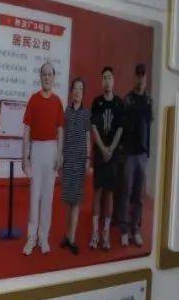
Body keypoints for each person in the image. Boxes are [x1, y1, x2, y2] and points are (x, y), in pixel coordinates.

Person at [21, 62, 65, 255]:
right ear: (40, 77)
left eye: (50, 74)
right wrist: (25, 156)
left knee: (48, 197)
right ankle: (31, 237)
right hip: (36, 150)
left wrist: (60, 153)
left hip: (52, 150)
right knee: (34, 196)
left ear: (53, 78)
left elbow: (60, 130)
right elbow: (27, 130)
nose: (47, 77)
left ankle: (43, 237)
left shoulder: (57, 102)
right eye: (44, 74)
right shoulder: (33, 100)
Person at [90, 66, 125, 250]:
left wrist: (110, 149)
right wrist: (103, 148)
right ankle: (95, 233)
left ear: (113, 80)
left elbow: (120, 128)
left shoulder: (119, 103)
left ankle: (105, 235)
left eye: (109, 77)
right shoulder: (97, 102)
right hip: (99, 153)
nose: (106, 81)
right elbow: (94, 127)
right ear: (101, 81)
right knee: (97, 192)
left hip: (113, 154)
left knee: (110, 193)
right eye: (104, 77)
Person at [121, 63, 153, 247]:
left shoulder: (149, 101)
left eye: (143, 75)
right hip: (129, 154)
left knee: (139, 196)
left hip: (142, 155)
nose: (141, 79)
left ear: (146, 78)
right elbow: (122, 127)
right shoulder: (128, 100)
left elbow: (149, 126)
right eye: (138, 75)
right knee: (126, 192)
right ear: (134, 77)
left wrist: (148, 151)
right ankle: (124, 231)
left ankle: (136, 230)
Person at [60, 77, 90, 254]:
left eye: (80, 89)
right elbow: (63, 136)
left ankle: (72, 239)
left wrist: (88, 158)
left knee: (76, 202)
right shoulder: (67, 112)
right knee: (69, 201)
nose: (78, 91)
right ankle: (67, 235)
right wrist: (61, 157)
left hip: (79, 161)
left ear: (83, 93)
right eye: (75, 88)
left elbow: (87, 137)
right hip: (68, 160)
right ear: (72, 92)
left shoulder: (86, 113)